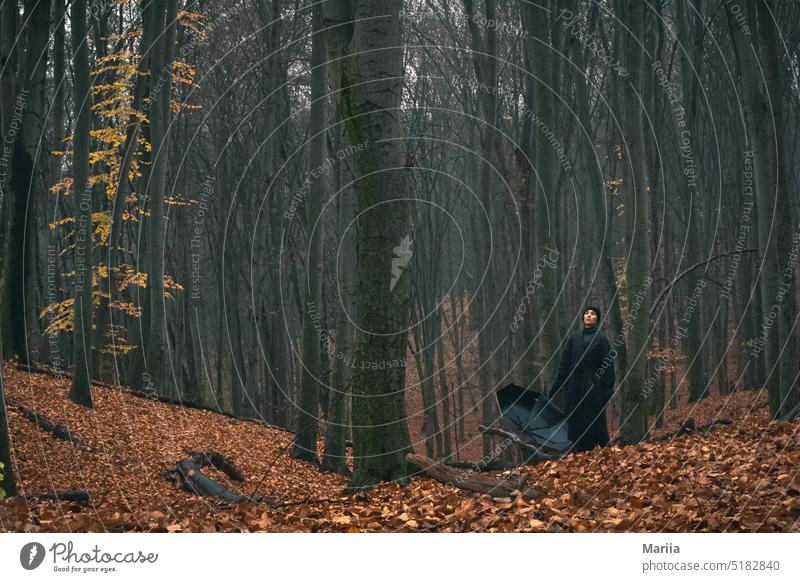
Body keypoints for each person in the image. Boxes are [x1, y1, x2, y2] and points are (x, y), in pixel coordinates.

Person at [547, 305, 614, 453]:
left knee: (595, 420)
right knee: (574, 419)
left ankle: (605, 453)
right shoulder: (573, 338)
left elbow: (608, 367)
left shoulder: (602, 339)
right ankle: (576, 452)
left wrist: (606, 392)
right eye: (586, 313)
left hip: (592, 385)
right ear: (583, 317)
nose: (589, 315)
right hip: (574, 385)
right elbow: (564, 365)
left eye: (593, 314)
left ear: (597, 319)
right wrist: (555, 388)